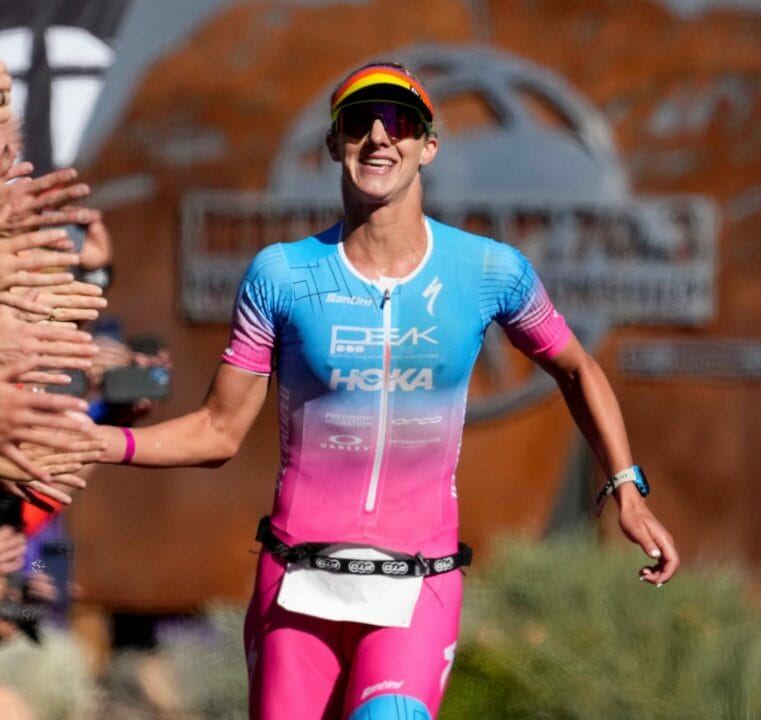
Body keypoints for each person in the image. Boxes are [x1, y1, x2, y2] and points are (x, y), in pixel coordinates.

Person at [90, 62, 680, 720]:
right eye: (357, 123)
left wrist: (626, 487)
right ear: (333, 145)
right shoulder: (281, 276)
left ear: (427, 145)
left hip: (415, 588)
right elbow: (219, 431)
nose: (378, 137)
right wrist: (97, 440)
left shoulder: (490, 271)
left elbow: (578, 369)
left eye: (399, 122)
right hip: (296, 589)